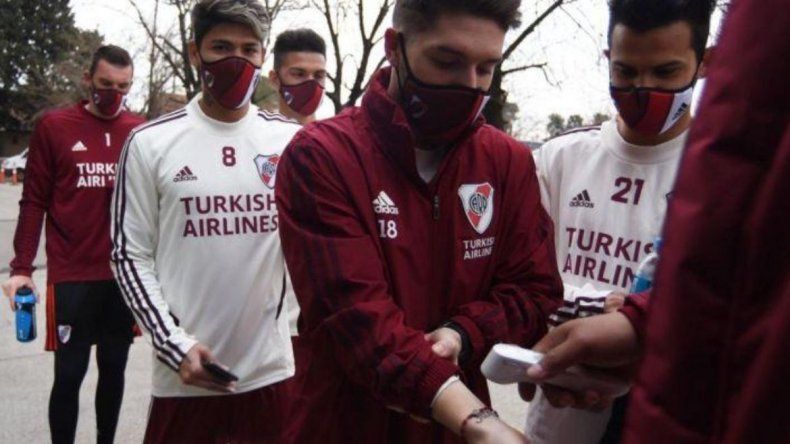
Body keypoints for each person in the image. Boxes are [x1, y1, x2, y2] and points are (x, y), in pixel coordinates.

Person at [275, 1, 563, 443]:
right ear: (395, 47)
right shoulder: (323, 155)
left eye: (485, 69)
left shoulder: (507, 161)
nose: (469, 86)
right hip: (342, 425)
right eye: (447, 62)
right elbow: (358, 321)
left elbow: (533, 290)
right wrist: (480, 423)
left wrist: (462, 334)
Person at [522, 0, 790, 442]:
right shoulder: (557, 159)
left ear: (706, 62)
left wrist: (631, 323)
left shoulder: (724, 180)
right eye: (626, 73)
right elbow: (524, 284)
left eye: (665, 73)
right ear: (608, 60)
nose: (643, 89)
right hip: (559, 421)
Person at [110, 1, 300, 442]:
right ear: (195, 52)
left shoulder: (291, 142)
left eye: (249, 49)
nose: (236, 59)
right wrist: (173, 344)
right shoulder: (149, 143)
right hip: (185, 379)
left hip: (272, 376)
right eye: (221, 46)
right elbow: (128, 255)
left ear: (262, 56)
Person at [1, 45, 145, 444]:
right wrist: (21, 269)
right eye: (104, 84)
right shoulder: (54, 127)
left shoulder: (140, 130)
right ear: (87, 80)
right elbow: (33, 203)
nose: (113, 93)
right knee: (69, 374)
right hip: (71, 275)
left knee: (114, 368)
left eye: (122, 86)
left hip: (123, 275)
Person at [269, 28, 328, 126]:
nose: (311, 83)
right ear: (274, 79)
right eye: (299, 74)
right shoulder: (257, 137)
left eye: (319, 76)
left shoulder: (335, 139)